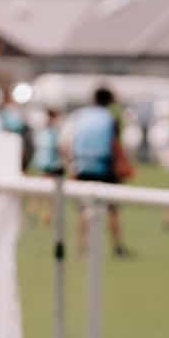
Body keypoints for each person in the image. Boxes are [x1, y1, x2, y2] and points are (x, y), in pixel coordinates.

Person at [69, 84, 133, 257]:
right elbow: (115, 144)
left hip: (82, 165)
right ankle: (117, 246)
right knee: (113, 209)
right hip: (104, 165)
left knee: (84, 208)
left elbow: (73, 141)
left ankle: (82, 246)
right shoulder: (110, 118)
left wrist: (73, 165)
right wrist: (123, 165)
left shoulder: (81, 116)